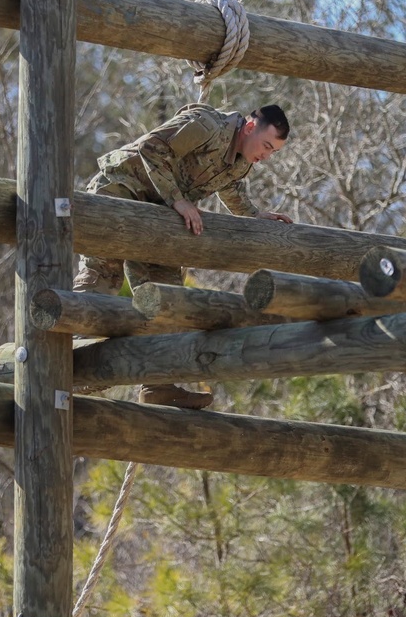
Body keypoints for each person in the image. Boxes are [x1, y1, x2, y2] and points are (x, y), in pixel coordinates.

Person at [74, 102, 292, 409]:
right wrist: (179, 201)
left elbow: (230, 189)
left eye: (273, 152)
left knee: (166, 298)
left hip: (160, 212)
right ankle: (65, 360)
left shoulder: (242, 159)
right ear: (251, 127)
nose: (266, 156)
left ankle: (157, 385)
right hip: (121, 190)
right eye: (267, 146)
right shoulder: (206, 125)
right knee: (102, 276)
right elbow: (151, 149)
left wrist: (257, 216)